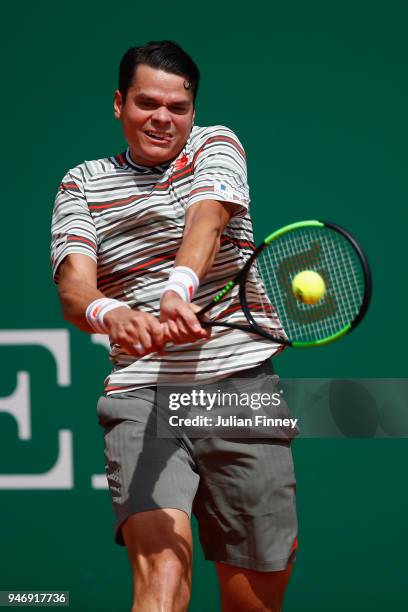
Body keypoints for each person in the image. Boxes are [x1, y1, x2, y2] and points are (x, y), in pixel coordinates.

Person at [51, 40, 297, 612]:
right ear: (119, 104)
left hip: (240, 391)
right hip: (141, 395)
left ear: (192, 112)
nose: (162, 117)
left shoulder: (216, 143)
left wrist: (177, 289)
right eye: (146, 103)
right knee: (161, 575)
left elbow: (207, 218)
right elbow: (74, 286)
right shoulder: (81, 183)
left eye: (177, 107)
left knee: (252, 601)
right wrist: (109, 312)